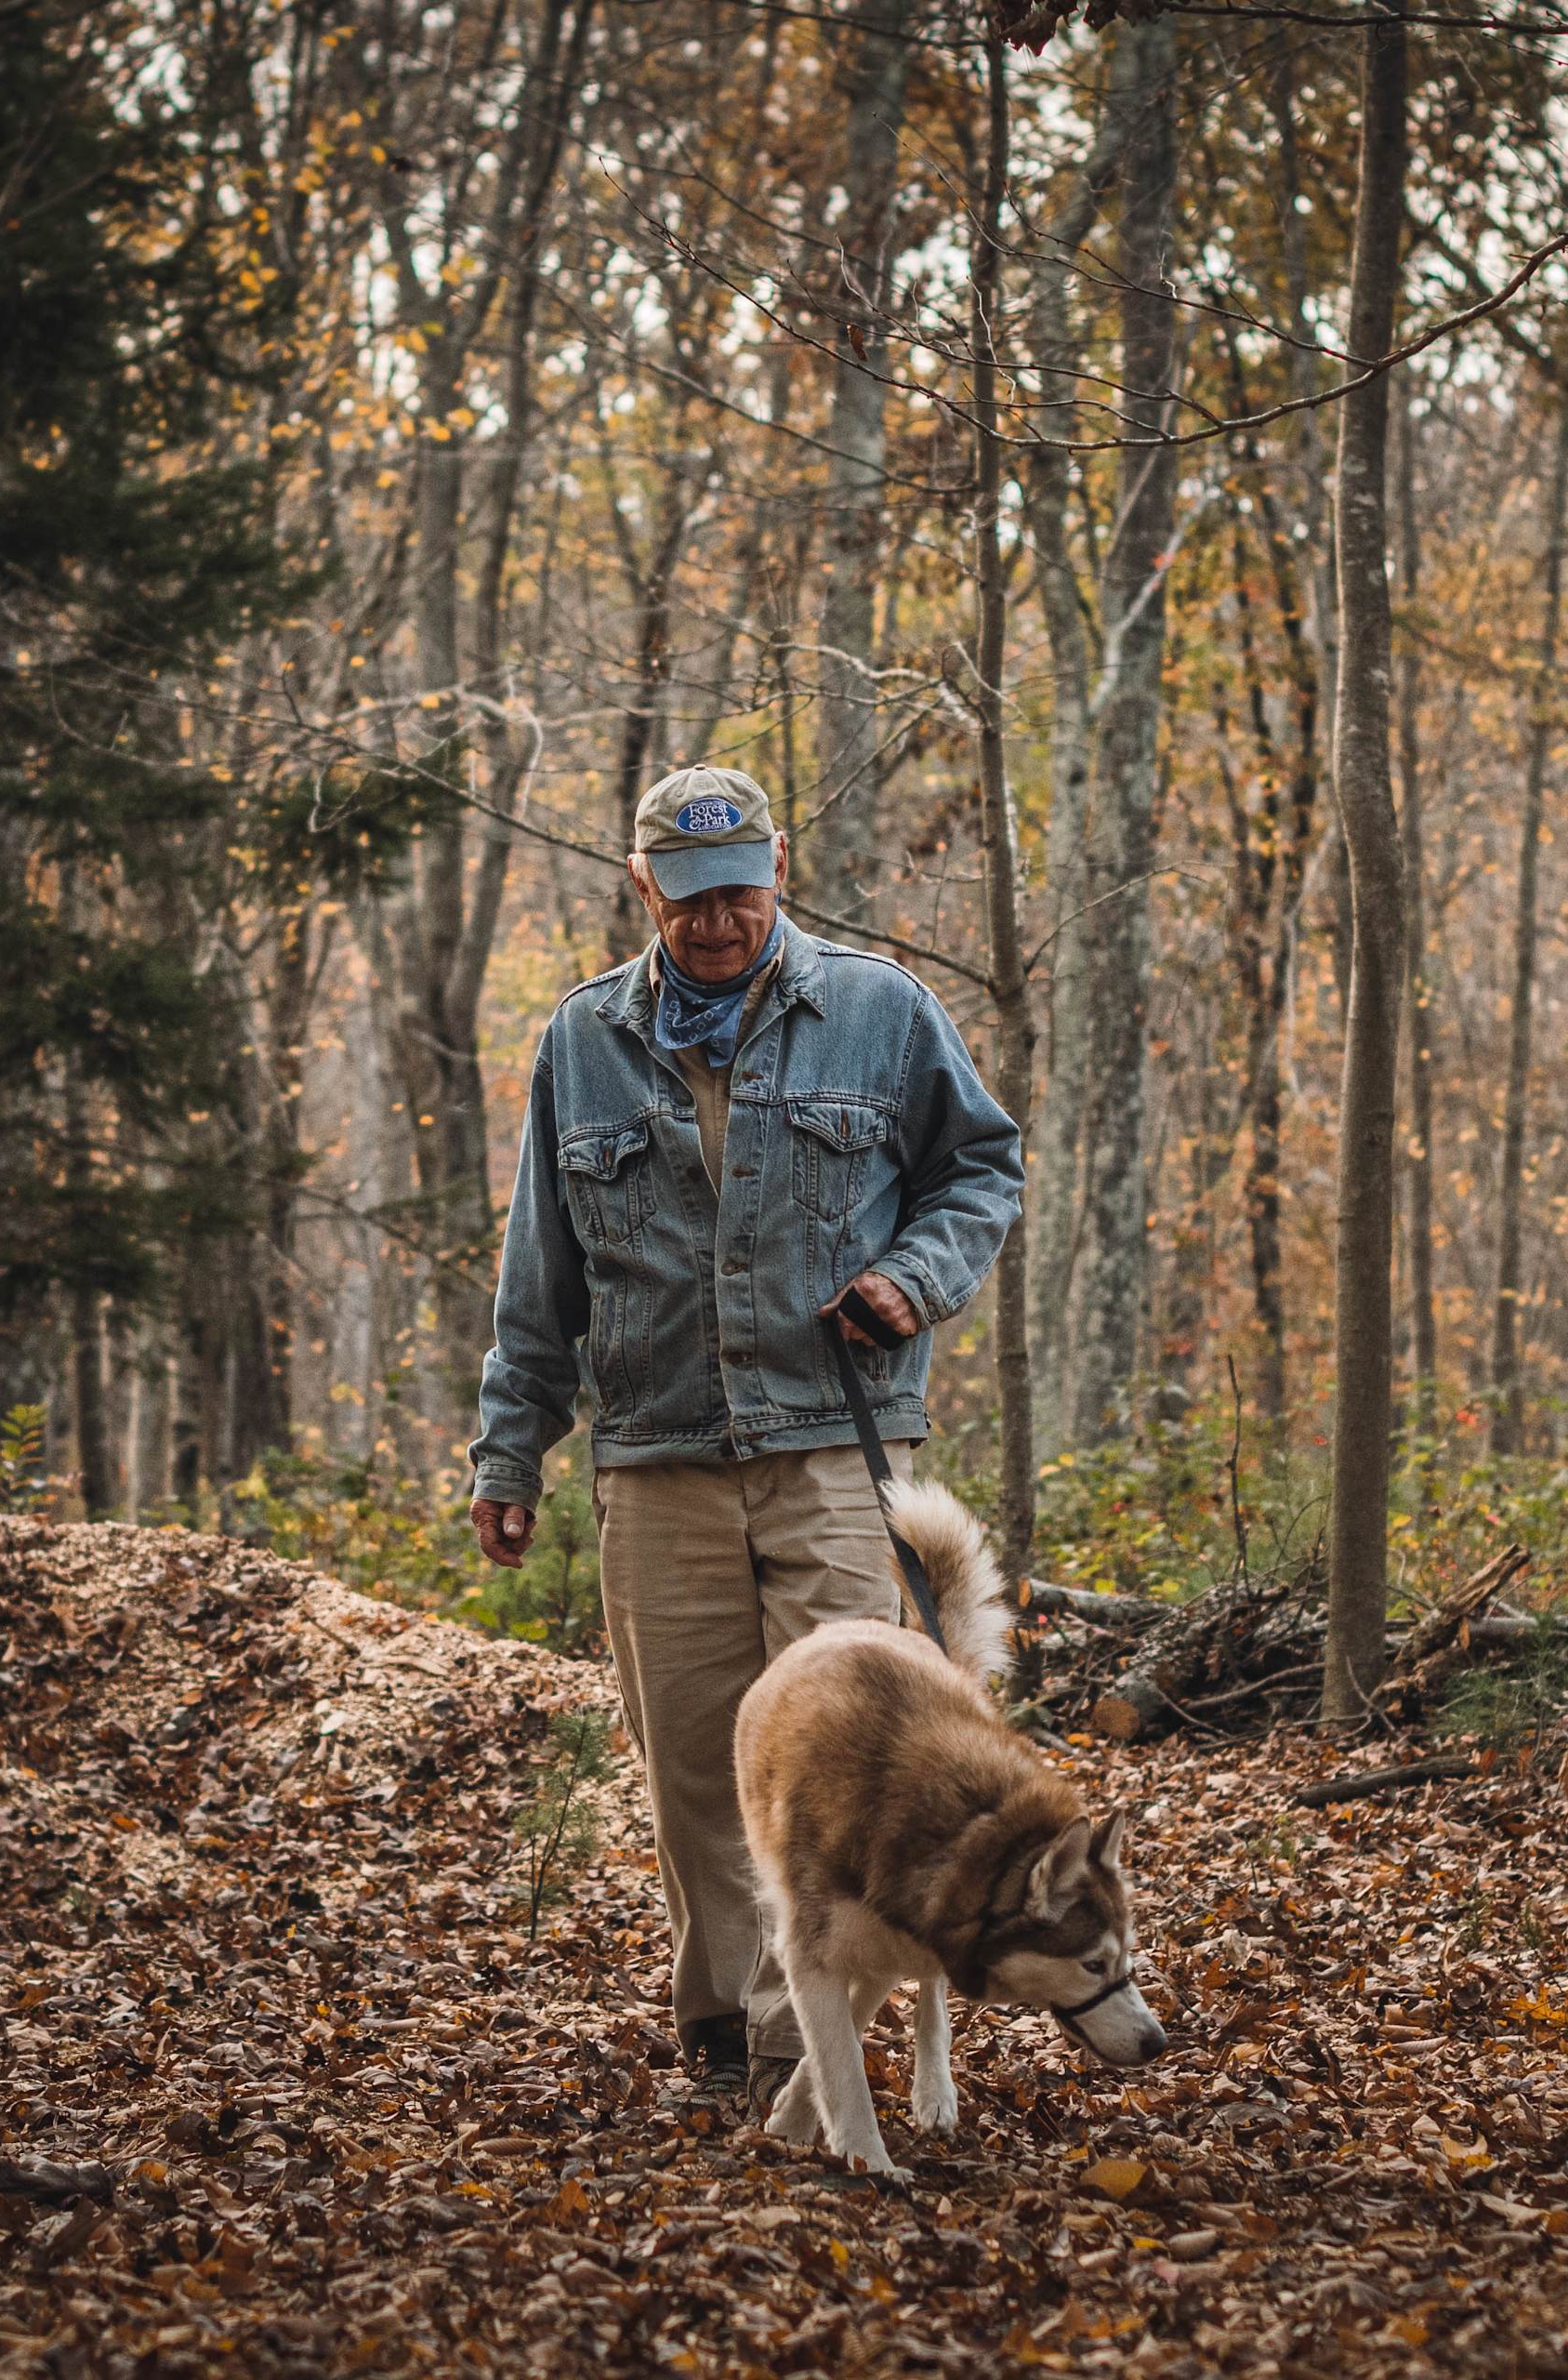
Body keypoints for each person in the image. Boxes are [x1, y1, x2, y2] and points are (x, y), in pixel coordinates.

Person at [466, 763, 1021, 2111]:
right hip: (656, 1453)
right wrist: (509, 1446)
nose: (717, 919)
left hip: (833, 1444)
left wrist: (916, 1277)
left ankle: (800, 2047)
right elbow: (540, 1269)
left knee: (844, 1761)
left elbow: (981, 1167)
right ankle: (725, 2024)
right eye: (691, 895)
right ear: (647, 886)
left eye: (740, 891)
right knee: (700, 1763)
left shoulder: (882, 1012)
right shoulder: (583, 1037)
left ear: (777, 874)